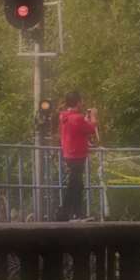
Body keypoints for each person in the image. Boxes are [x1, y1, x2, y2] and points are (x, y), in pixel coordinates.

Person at [57, 91, 98, 221]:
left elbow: (78, 129)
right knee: (74, 184)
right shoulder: (77, 118)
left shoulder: (64, 116)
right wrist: (93, 116)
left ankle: (76, 213)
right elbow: (91, 129)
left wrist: (85, 119)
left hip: (68, 153)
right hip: (78, 154)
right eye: (81, 101)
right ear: (78, 102)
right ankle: (64, 213)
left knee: (77, 184)